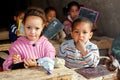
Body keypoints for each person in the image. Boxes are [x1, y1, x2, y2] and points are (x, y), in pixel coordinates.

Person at [3, 7, 56, 71]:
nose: (32, 32)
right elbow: (6, 66)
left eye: (37, 28)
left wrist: (37, 64)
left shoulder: (47, 45)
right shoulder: (17, 46)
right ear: (23, 25)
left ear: (42, 27)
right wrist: (16, 64)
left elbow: (51, 62)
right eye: (28, 27)